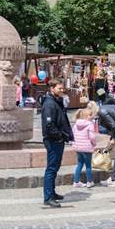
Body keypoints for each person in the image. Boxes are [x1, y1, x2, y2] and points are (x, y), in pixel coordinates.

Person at [40, 79, 74, 208]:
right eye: (59, 88)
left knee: (55, 168)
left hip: (57, 140)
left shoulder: (55, 101)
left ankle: (52, 193)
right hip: (53, 140)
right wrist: (59, 136)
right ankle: (48, 197)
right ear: (52, 88)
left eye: (62, 88)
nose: (62, 90)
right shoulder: (49, 103)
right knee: (51, 168)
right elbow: (49, 125)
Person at [72, 103, 98, 188]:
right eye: (91, 115)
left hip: (78, 147)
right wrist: (94, 143)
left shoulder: (76, 124)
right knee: (88, 166)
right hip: (87, 147)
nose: (92, 117)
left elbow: (73, 135)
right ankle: (89, 181)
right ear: (87, 116)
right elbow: (92, 137)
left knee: (79, 164)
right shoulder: (90, 124)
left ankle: (76, 181)